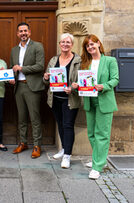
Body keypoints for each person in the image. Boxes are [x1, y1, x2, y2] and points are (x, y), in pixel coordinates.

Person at [72, 34, 119, 179]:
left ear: (98, 44)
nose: (90, 47)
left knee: (102, 134)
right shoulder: (86, 63)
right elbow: (85, 83)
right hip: (90, 101)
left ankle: (97, 166)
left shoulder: (110, 60)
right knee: (91, 133)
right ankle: (99, 160)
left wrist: (103, 86)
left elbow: (115, 79)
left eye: (92, 44)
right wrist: (77, 85)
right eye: (87, 45)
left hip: (104, 101)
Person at [43, 33, 81, 169]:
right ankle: (64, 148)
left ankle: (67, 156)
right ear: (59, 44)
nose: (65, 44)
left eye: (68, 42)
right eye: (62, 42)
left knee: (68, 125)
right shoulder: (54, 60)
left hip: (70, 99)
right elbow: (46, 80)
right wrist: (46, 77)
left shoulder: (78, 60)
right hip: (55, 99)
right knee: (60, 124)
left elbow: (82, 81)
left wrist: (73, 88)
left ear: (72, 44)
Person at [10, 22, 45, 159]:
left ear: (29, 32)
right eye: (20, 31)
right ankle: (23, 142)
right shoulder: (14, 50)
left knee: (35, 118)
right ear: (17, 34)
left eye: (25, 31)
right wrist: (9, 76)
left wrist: (22, 69)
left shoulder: (37, 46)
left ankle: (37, 145)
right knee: (22, 118)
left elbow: (40, 66)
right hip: (19, 87)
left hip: (33, 87)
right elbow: (13, 67)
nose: (23, 33)